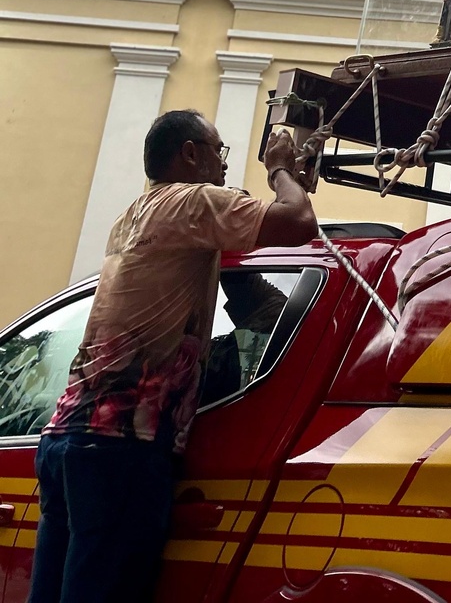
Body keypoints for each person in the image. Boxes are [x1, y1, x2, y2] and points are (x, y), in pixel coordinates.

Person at [29, 109, 317, 603]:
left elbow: (250, 288)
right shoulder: (192, 204)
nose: (224, 168)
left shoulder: (135, 215)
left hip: (67, 440)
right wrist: (278, 171)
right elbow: (299, 222)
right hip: (123, 446)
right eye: (219, 154)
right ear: (190, 154)